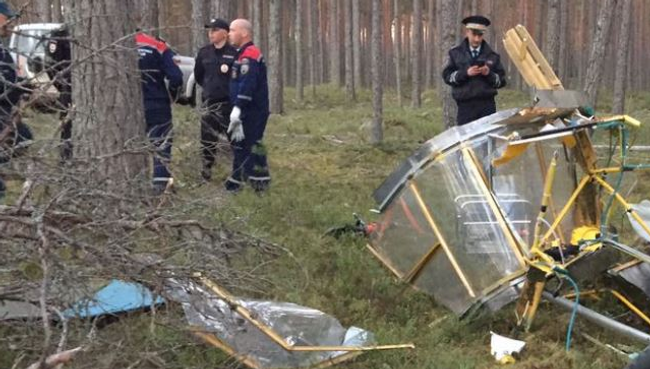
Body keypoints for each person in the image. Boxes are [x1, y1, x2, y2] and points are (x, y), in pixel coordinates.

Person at [225, 19, 270, 193]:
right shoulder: (242, 54)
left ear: (244, 33)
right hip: (248, 109)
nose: (229, 33)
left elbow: (248, 83)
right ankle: (242, 182)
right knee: (243, 145)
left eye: (232, 30)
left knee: (249, 145)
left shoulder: (250, 54)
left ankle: (252, 184)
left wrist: (238, 106)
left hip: (252, 111)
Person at [136, 31, 184, 194]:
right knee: (161, 145)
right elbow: (176, 77)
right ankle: (160, 187)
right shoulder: (157, 45)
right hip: (156, 102)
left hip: (126, 107)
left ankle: (133, 183)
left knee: (130, 145)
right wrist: (173, 94)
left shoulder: (113, 45)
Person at [442, 15, 507, 126]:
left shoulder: (492, 56)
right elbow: (447, 77)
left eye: (480, 35)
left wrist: (489, 74)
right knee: (467, 142)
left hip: (487, 106)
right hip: (465, 106)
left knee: (487, 140)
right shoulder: (455, 54)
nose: (477, 39)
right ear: (467, 32)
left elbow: (501, 81)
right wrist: (465, 73)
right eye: (474, 34)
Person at [194, 18, 238, 181]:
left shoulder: (234, 53)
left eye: (214, 30)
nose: (210, 33)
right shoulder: (204, 52)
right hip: (209, 104)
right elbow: (199, 76)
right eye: (209, 30)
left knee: (235, 139)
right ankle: (206, 172)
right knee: (207, 140)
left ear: (225, 33)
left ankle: (239, 172)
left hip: (229, 104)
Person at [0, 2, 32, 201]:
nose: (10, 23)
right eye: (6, 18)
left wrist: (22, 84)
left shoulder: (3, 50)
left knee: (24, 138)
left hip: (6, 113)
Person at [44, 25, 72, 161]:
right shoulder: (60, 34)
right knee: (68, 130)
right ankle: (66, 163)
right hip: (70, 91)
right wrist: (63, 86)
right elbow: (51, 66)